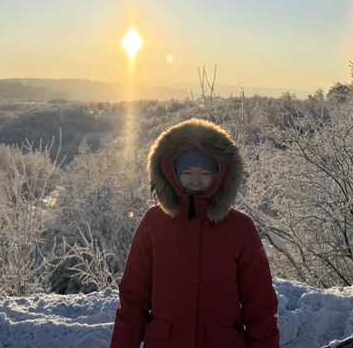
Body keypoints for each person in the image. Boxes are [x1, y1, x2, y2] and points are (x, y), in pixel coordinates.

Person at [110, 118, 279, 348]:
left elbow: (260, 305)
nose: (196, 181)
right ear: (172, 173)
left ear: (219, 175)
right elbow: (133, 299)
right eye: (188, 172)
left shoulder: (240, 228)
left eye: (205, 173)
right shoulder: (154, 222)